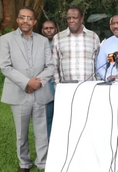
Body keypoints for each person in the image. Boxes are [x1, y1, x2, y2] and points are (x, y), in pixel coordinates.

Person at [0, 6, 54, 172]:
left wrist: (37, 82)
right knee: (21, 132)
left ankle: (43, 162)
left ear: (34, 21)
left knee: (41, 131)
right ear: (17, 20)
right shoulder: (5, 40)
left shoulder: (43, 40)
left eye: (29, 18)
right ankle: (24, 163)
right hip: (19, 91)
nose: (25, 21)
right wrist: (26, 83)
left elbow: (50, 66)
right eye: (22, 17)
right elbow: (5, 66)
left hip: (40, 91)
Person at [52, 4, 101, 84]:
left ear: (81, 19)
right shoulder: (58, 38)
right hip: (66, 88)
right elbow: (54, 65)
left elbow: (98, 64)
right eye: (69, 18)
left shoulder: (93, 37)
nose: (71, 20)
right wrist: (58, 86)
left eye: (75, 18)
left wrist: (98, 85)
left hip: (89, 88)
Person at [41, 20, 58, 141]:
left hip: (60, 84)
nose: (49, 30)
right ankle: (48, 143)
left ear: (56, 29)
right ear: (42, 30)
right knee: (47, 117)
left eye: (51, 28)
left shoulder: (60, 43)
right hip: (46, 86)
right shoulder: (39, 45)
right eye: (46, 28)